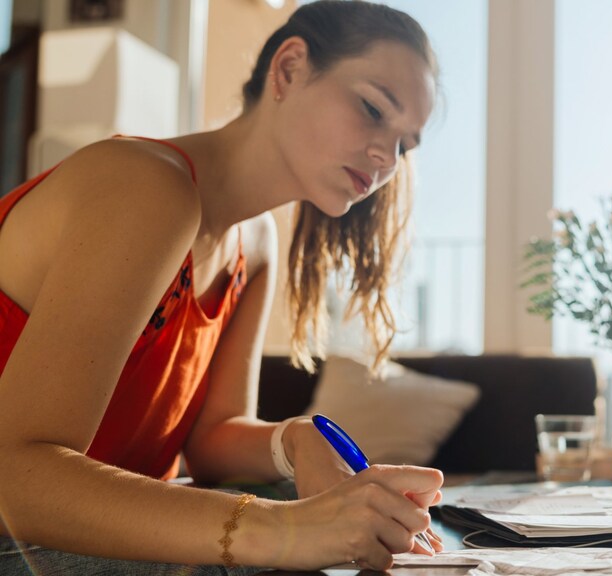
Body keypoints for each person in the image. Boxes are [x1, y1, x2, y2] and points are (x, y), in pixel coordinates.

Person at [0, 1, 443, 573]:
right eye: (373, 108)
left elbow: (210, 440)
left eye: (406, 145)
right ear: (289, 68)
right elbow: (13, 474)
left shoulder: (254, 245)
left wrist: (294, 440)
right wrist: (285, 530)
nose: (386, 157)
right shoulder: (145, 186)